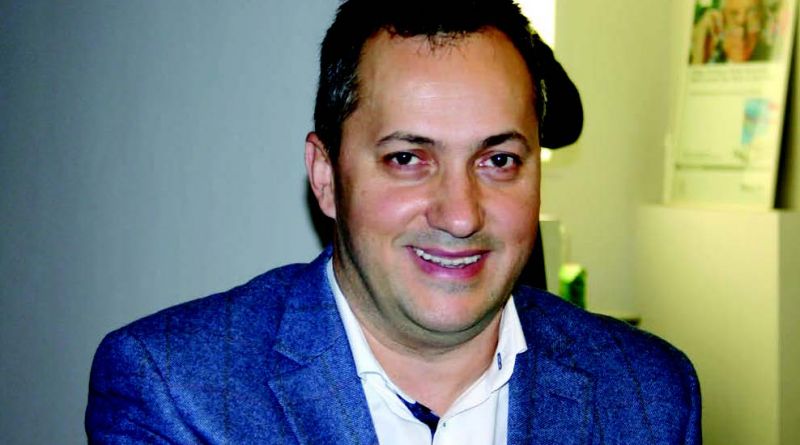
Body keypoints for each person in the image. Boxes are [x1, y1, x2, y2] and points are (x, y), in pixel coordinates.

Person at [86, 0, 701, 443]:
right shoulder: (175, 392)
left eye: (498, 160)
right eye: (407, 159)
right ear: (326, 176)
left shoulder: (650, 395)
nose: (460, 215)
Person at [690, 0, 772, 64]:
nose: (741, 20)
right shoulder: (709, 56)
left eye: (751, 12)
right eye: (734, 13)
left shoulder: (771, 56)